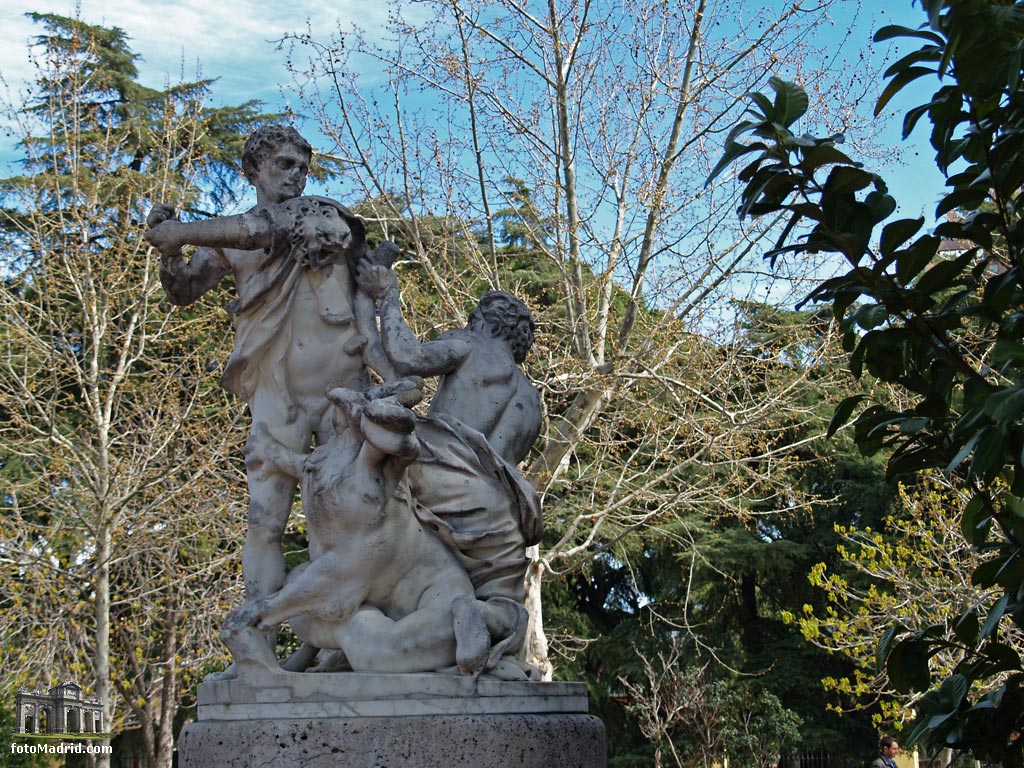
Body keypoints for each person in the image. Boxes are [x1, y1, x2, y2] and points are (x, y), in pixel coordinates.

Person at [144, 126, 391, 664]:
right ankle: (256, 648)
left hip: (341, 392)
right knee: (264, 520)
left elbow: (266, 229)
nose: (296, 175)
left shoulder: (321, 215)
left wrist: (184, 229)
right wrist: (169, 250)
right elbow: (185, 291)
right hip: (276, 391)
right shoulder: (230, 244)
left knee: (346, 520)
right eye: (283, 164)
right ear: (253, 170)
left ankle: (343, 647)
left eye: (302, 165)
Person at [355, 262, 542, 674]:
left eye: (473, 321)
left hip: (441, 473)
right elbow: (500, 459)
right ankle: (473, 614)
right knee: (504, 603)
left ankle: (350, 629)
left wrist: (387, 294)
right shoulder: (532, 400)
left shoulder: (472, 345)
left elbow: (406, 357)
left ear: (488, 325)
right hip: (502, 515)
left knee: (356, 473)